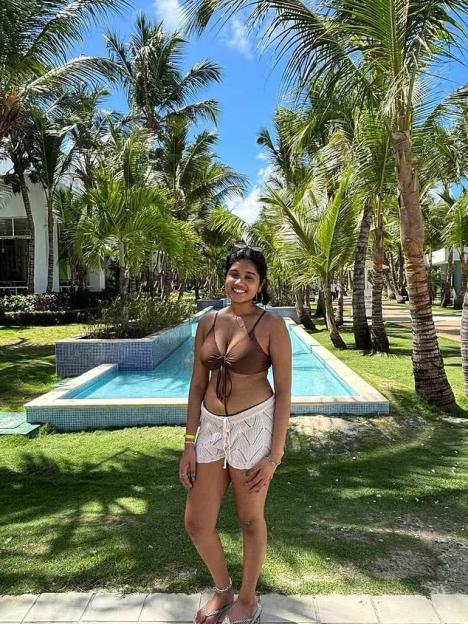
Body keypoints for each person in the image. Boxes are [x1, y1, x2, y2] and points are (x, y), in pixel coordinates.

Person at [180, 244, 292, 624]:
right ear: (225, 277)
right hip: (211, 428)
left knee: (249, 519)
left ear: (260, 284)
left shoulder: (272, 326)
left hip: (253, 428)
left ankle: (248, 598)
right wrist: (189, 443)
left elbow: (285, 394)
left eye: (249, 277)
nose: (239, 282)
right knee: (197, 521)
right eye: (234, 274)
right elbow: (197, 386)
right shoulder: (208, 323)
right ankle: (223, 589)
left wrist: (273, 456)